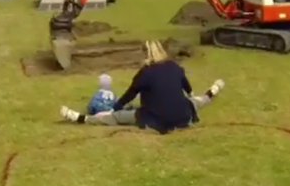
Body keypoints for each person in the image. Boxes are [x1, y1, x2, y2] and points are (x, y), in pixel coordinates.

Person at [60, 40, 224, 135]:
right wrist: (189, 94)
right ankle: (213, 91)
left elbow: (129, 94)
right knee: (196, 102)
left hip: (156, 120)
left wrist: (114, 109)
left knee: (118, 118)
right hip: (182, 116)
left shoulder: (145, 72)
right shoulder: (174, 66)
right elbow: (186, 84)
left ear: (146, 55)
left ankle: (82, 118)